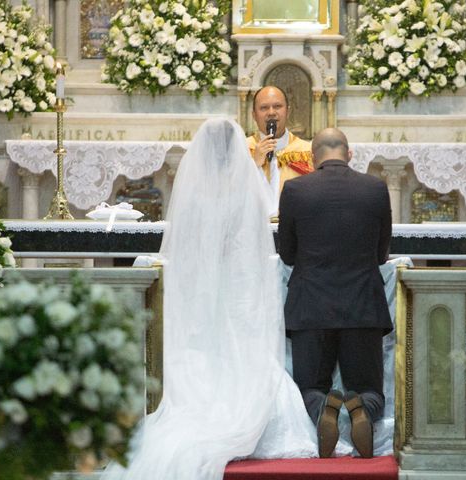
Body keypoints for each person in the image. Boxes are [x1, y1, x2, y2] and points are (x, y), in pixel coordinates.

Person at [102, 118, 317, 480]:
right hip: (238, 284)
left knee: (205, 345)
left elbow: (184, 249)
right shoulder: (247, 188)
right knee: (244, 343)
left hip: (201, 287)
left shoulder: (195, 192)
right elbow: (254, 245)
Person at [278, 128, 393, 459]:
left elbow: (287, 253)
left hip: (311, 304)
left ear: (313, 157)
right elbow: (381, 254)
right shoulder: (375, 188)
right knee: (369, 386)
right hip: (363, 304)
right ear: (350, 153)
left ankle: (324, 405)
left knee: (310, 386)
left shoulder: (295, 190)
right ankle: (360, 407)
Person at [247, 86, 314, 215]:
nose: (271, 112)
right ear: (254, 115)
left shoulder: (306, 151)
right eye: (264, 108)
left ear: (287, 111)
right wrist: (253, 165)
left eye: (277, 106)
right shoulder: (242, 149)